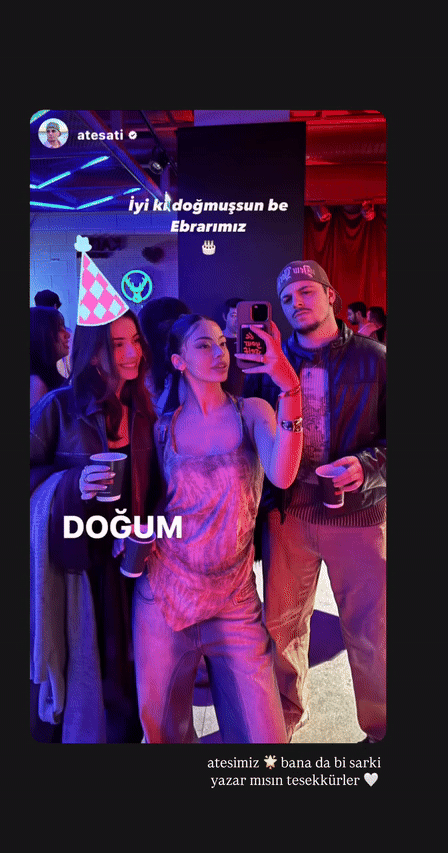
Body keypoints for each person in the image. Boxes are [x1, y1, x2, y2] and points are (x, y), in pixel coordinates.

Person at [132, 313, 303, 743]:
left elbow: (282, 474)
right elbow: (147, 502)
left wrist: (290, 388)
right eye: (203, 345)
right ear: (178, 361)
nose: (219, 353)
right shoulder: (162, 427)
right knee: (163, 733)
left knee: (264, 739)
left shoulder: (252, 411)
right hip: (164, 595)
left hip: (234, 598)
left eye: (221, 344)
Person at [244, 261, 386, 743]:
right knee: (281, 627)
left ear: (331, 296)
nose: (296, 302)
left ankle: (381, 728)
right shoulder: (269, 365)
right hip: (288, 515)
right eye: (287, 298)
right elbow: (253, 439)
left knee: (371, 630)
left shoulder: (375, 359)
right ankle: (286, 716)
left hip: (360, 513)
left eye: (306, 291)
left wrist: (365, 467)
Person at [30, 308, 160, 743]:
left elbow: (157, 487)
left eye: (135, 341)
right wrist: (72, 483)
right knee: (84, 674)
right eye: (117, 344)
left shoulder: (144, 409)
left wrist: (145, 528)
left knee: (130, 675)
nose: (132, 353)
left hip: (133, 565)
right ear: (92, 352)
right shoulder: (59, 407)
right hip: (78, 571)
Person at [30, 306, 70, 407]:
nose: (67, 334)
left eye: (63, 327)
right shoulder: (36, 385)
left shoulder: (47, 380)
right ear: (40, 334)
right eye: (58, 329)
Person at [220, 296, 245, 396]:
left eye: (241, 316)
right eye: (234, 315)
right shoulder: (216, 341)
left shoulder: (251, 341)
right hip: (221, 397)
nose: (238, 320)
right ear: (225, 317)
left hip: (245, 398)